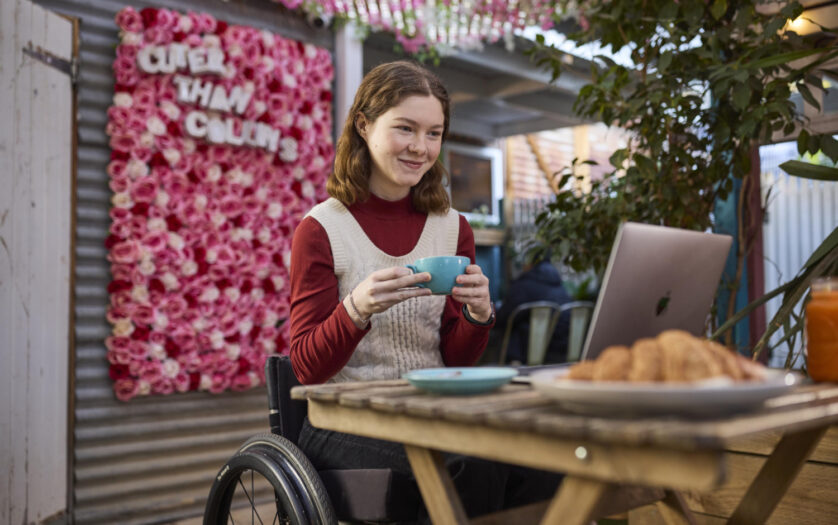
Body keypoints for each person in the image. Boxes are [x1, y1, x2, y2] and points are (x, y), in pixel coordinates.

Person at [288, 60, 560, 519]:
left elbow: (455, 362)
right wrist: (355, 308)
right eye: (406, 129)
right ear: (364, 125)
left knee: (547, 461)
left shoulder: (452, 228)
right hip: (343, 419)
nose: (421, 147)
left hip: (429, 410)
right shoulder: (321, 229)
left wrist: (476, 314)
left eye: (434, 133)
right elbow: (306, 367)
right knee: (470, 467)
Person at [496, 254, 573, 364]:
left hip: (540, 352)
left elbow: (503, 317)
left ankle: (509, 366)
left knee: (513, 327)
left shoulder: (524, 285)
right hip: (565, 347)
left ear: (529, 263)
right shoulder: (559, 285)